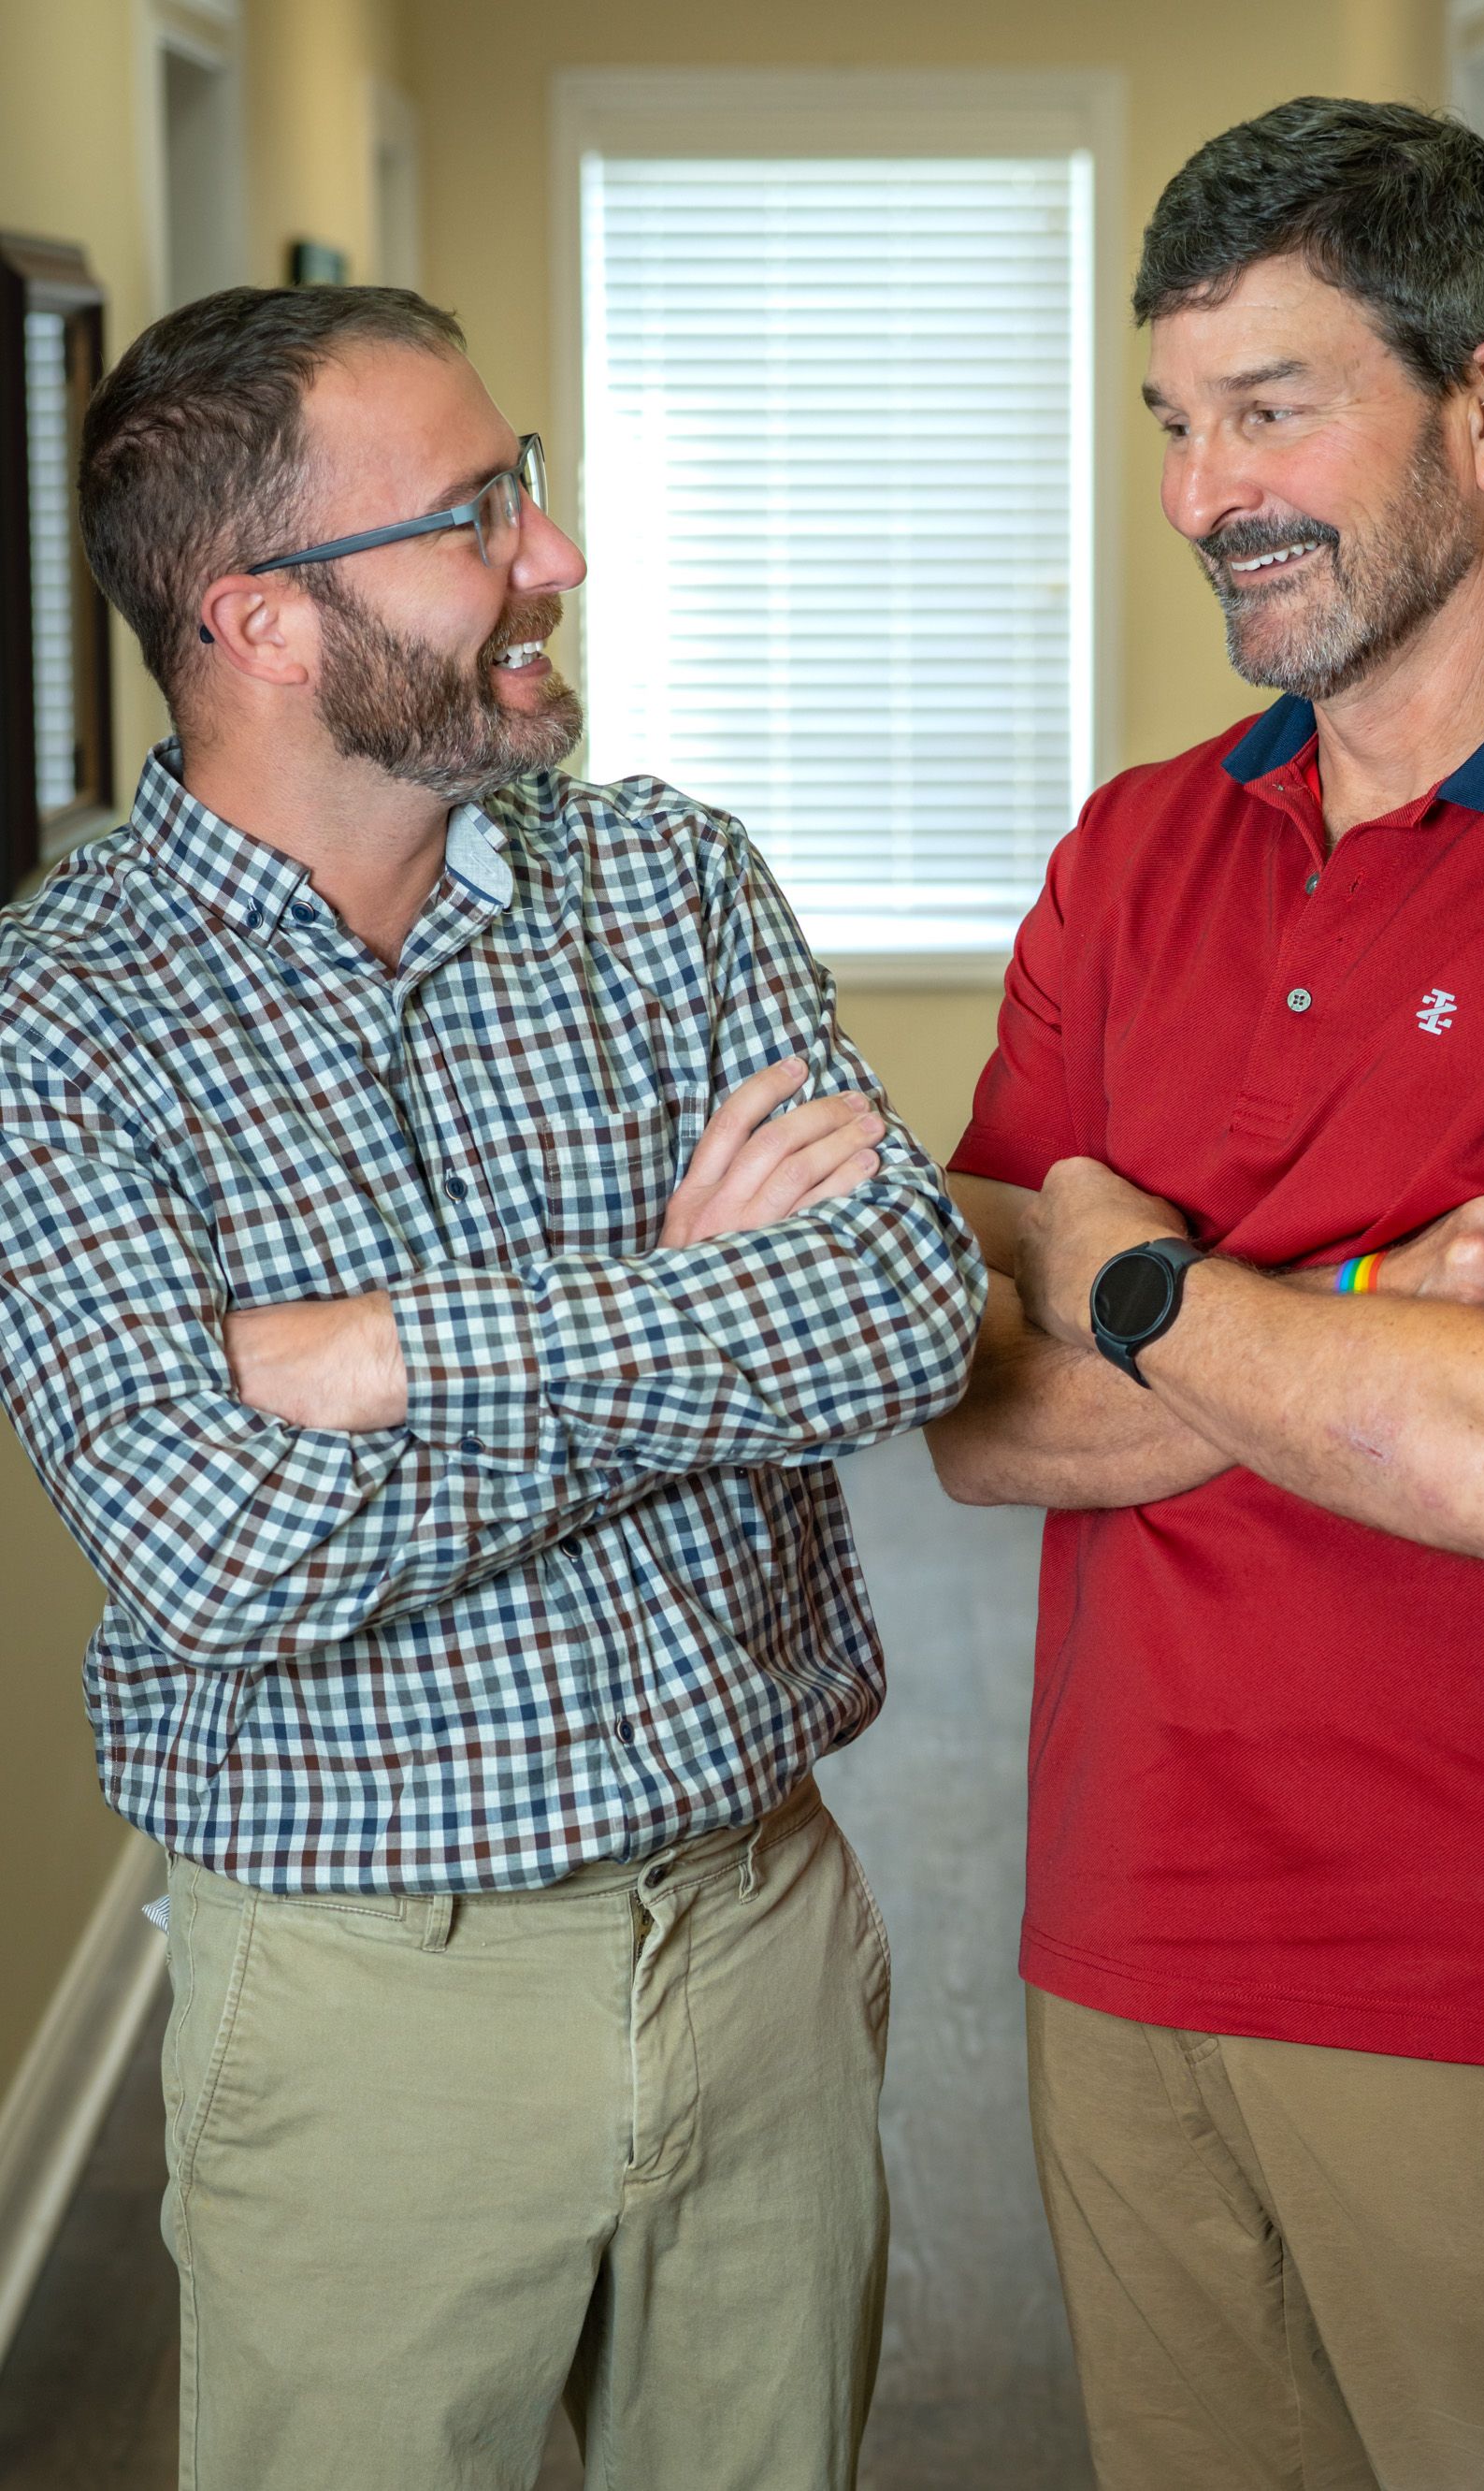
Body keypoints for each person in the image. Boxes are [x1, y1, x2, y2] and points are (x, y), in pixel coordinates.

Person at [0, 283, 983, 2491]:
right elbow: (208, 1546)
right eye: (477, 515)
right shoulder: (52, 1029)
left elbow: (906, 1313)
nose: (553, 558)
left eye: (519, 486)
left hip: (761, 1939)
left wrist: (405, 1347)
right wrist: (677, 1309)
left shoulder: (664, 878)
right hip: (365, 2011)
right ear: (257, 620)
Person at [929, 95, 1484, 2491]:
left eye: (1274, 409)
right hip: (1119, 1948)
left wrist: (1149, 1289)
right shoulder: (1138, 849)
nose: (1206, 495)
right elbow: (971, 1414)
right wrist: (1389, 1298)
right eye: (1176, 424)